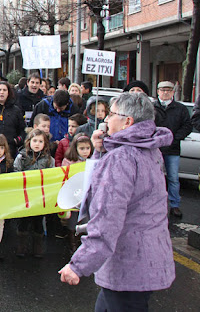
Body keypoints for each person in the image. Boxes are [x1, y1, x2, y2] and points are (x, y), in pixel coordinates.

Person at [59, 93, 175, 311]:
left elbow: (106, 220)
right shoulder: (150, 149)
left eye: (111, 114)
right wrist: (100, 152)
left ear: (127, 121)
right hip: (146, 260)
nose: (106, 120)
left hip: (128, 264)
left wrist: (79, 265)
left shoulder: (121, 158)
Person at [13, 129, 54, 258]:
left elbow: (52, 175)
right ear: (29, 142)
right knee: (23, 221)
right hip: (25, 195)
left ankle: (38, 247)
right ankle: (21, 246)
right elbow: (16, 172)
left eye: (40, 141)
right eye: (34, 140)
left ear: (45, 144)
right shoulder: (22, 157)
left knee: (38, 221)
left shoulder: (48, 160)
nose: (37, 144)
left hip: (40, 196)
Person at [153, 80, 192, 218]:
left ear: (173, 92)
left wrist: (174, 138)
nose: (165, 93)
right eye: (163, 90)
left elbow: (188, 126)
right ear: (158, 91)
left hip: (173, 149)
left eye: (168, 90)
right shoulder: (152, 107)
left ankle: (174, 205)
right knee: (155, 178)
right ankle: (155, 205)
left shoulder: (180, 108)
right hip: (155, 149)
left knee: (173, 178)